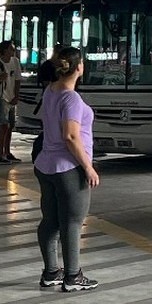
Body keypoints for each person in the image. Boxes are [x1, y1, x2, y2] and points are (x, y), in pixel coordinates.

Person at [34, 46, 99, 291]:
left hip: (46, 164)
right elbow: (71, 136)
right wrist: (88, 167)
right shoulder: (71, 98)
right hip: (69, 167)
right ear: (78, 67)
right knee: (72, 221)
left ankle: (51, 271)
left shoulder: (50, 90)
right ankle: (73, 276)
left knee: (50, 221)